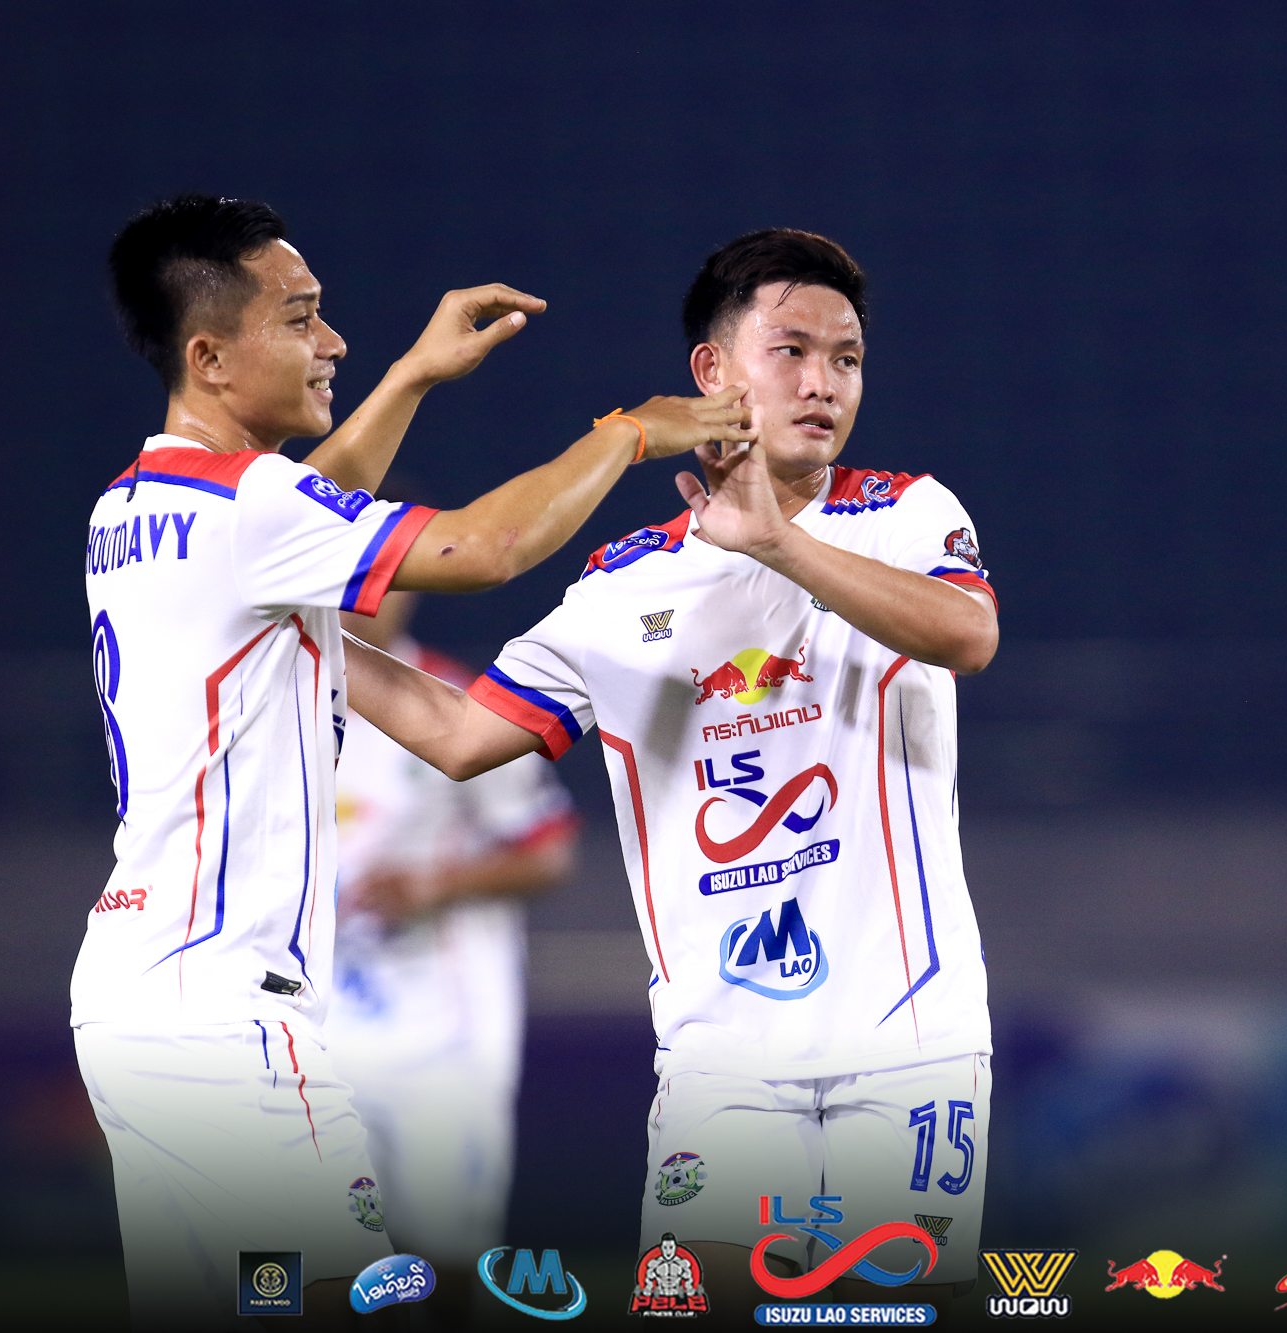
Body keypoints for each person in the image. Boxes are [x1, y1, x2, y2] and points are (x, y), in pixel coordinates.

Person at [74, 193, 753, 1329]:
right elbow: (485, 549)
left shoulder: (131, 505)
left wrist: (411, 379)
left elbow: (308, 504)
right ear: (209, 356)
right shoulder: (249, 508)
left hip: (133, 996)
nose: (331, 341)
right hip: (228, 1012)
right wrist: (630, 433)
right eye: (300, 318)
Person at [342, 229, 998, 1315]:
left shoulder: (906, 513)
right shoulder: (622, 586)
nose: (823, 383)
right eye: (791, 351)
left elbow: (966, 635)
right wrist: (304, 643)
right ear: (712, 370)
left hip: (912, 1047)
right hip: (720, 1071)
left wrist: (776, 542)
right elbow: (459, 735)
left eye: (845, 359)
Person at [326, 580, 580, 1329]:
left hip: (444, 1027)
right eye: (344, 581)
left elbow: (549, 852)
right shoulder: (279, 699)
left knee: (448, 1255)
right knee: (320, 1256)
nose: (360, 602)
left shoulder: (455, 703)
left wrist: (434, 885)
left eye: (380, 582)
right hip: (317, 1025)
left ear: (409, 591)